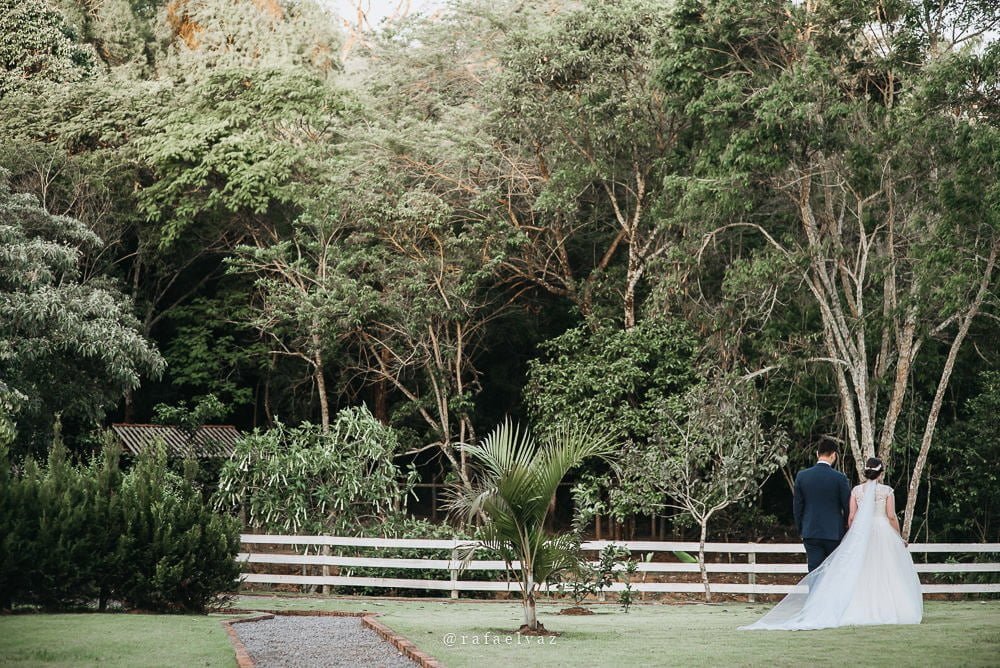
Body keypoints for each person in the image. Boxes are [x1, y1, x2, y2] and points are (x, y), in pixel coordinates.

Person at [740, 457, 923, 630]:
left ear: (865, 472)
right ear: (881, 473)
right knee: (885, 569)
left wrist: (854, 535)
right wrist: (898, 537)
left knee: (861, 570)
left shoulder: (857, 491)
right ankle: (889, 607)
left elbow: (851, 517)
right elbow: (891, 516)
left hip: (861, 534)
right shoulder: (886, 491)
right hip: (883, 531)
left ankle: (854, 607)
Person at [793, 439, 851, 572]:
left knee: (814, 571)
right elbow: (847, 506)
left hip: (811, 531)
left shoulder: (802, 476)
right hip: (834, 532)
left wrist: (801, 529)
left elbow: (797, 507)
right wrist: (845, 526)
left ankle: (814, 593)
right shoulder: (839, 478)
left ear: (817, 453)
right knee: (833, 572)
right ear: (833, 455)